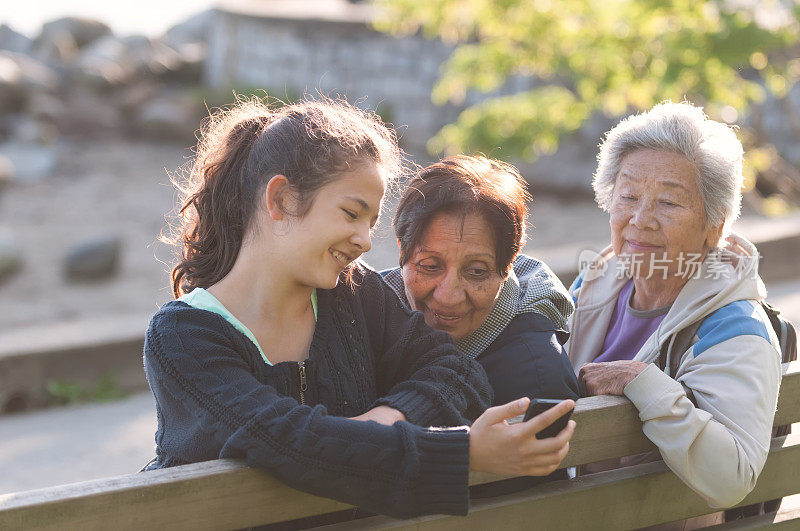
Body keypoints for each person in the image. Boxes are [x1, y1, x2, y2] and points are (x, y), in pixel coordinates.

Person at [143, 97, 576, 520]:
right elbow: (285, 441)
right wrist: (461, 454)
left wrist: (383, 420)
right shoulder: (183, 337)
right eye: (352, 213)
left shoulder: (352, 293)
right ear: (281, 200)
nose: (366, 240)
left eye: (371, 222)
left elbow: (454, 371)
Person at [567, 101, 782, 512]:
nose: (641, 219)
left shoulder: (734, 327)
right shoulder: (596, 281)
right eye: (627, 195)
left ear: (714, 227)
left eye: (668, 203)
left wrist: (644, 382)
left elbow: (732, 478)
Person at [383, 155, 580, 407]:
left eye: (476, 271)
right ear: (402, 251)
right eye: (430, 266)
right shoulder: (361, 316)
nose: (448, 297)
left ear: (509, 265)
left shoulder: (535, 380)